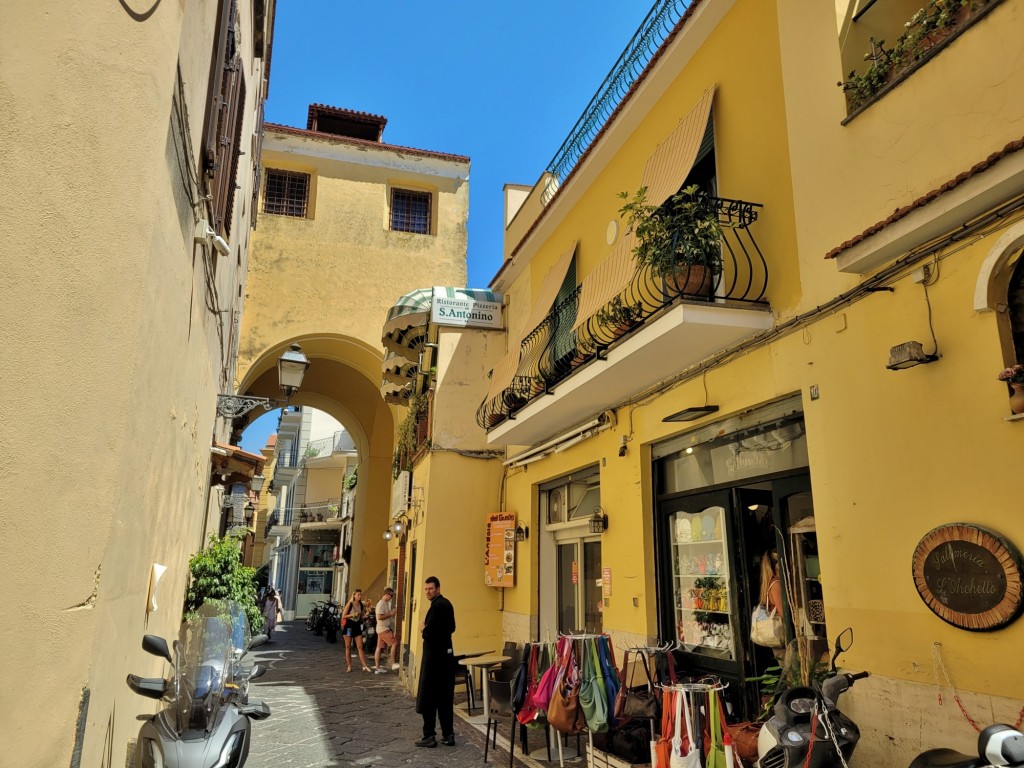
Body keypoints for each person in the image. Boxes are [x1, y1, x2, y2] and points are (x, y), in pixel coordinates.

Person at [414, 576, 456, 748]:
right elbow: (452, 628)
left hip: (433, 660)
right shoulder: (448, 604)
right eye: (426, 589)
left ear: (438, 589)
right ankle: (448, 735)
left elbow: (430, 634)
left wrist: (423, 628)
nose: (427, 592)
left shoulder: (436, 606)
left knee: (428, 697)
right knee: (445, 699)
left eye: (430, 589)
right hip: (447, 658)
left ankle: (429, 735)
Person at [341, 588, 372, 673]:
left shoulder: (361, 605)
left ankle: (364, 665)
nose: (360, 596)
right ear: (354, 595)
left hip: (357, 626)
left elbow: (361, 617)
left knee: (360, 646)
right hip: (349, 626)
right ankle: (349, 666)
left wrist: (365, 615)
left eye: (361, 595)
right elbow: (344, 616)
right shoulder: (350, 604)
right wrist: (352, 614)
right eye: (358, 595)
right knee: (348, 646)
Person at [373, 587, 398, 674]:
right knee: (394, 643)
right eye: (391, 595)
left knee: (379, 647)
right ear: (387, 595)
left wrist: (390, 613)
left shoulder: (385, 603)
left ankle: (377, 668)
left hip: (381, 629)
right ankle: (393, 663)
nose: (392, 597)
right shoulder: (381, 604)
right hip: (383, 629)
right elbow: (379, 617)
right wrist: (390, 614)